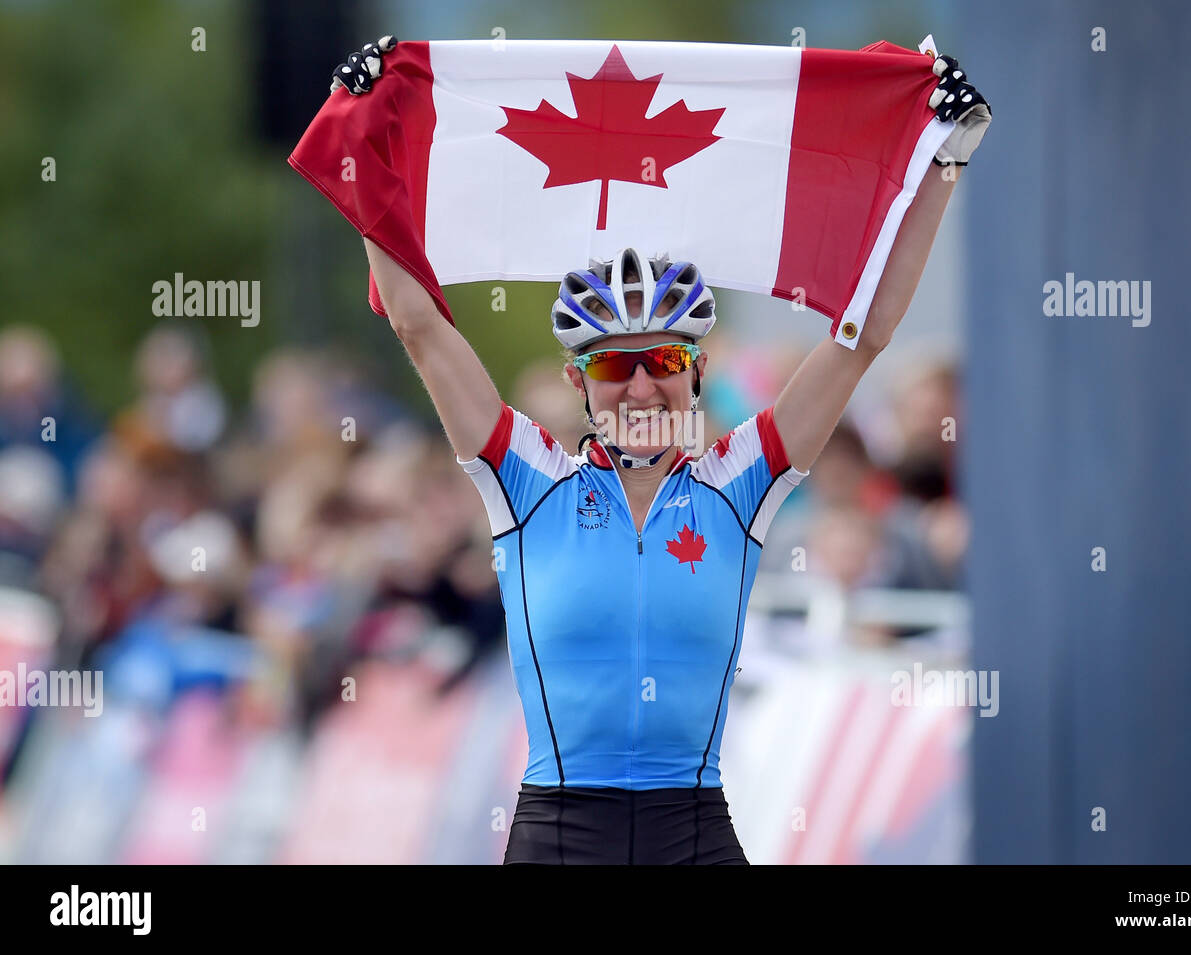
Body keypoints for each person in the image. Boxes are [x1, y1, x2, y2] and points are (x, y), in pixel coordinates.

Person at [331, 37, 990, 864]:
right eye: (614, 364)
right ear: (580, 385)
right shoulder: (526, 481)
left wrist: (941, 161)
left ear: (698, 372)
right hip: (561, 836)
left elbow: (861, 338)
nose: (641, 387)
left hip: (695, 834)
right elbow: (420, 324)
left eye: (664, 362)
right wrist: (363, 137)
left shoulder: (738, 484)